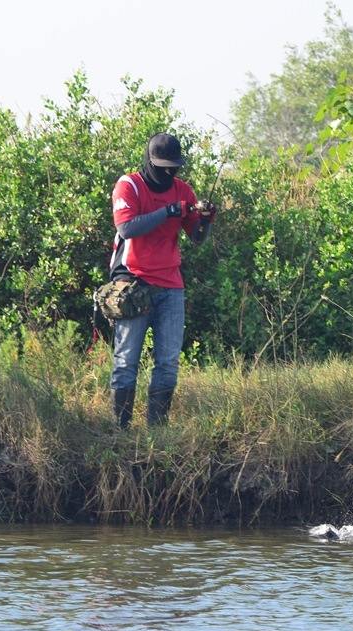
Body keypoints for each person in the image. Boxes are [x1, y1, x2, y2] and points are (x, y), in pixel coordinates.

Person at [108, 132, 215, 428]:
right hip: (133, 284)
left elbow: (196, 238)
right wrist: (168, 211)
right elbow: (127, 228)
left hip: (171, 286)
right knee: (126, 361)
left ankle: (158, 431)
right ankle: (121, 431)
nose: (169, 173)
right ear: (150, 161)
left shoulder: (183, 190)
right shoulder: (128, 185)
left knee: (167, 363)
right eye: (163, 167)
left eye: (174, 167)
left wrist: (205, 219)